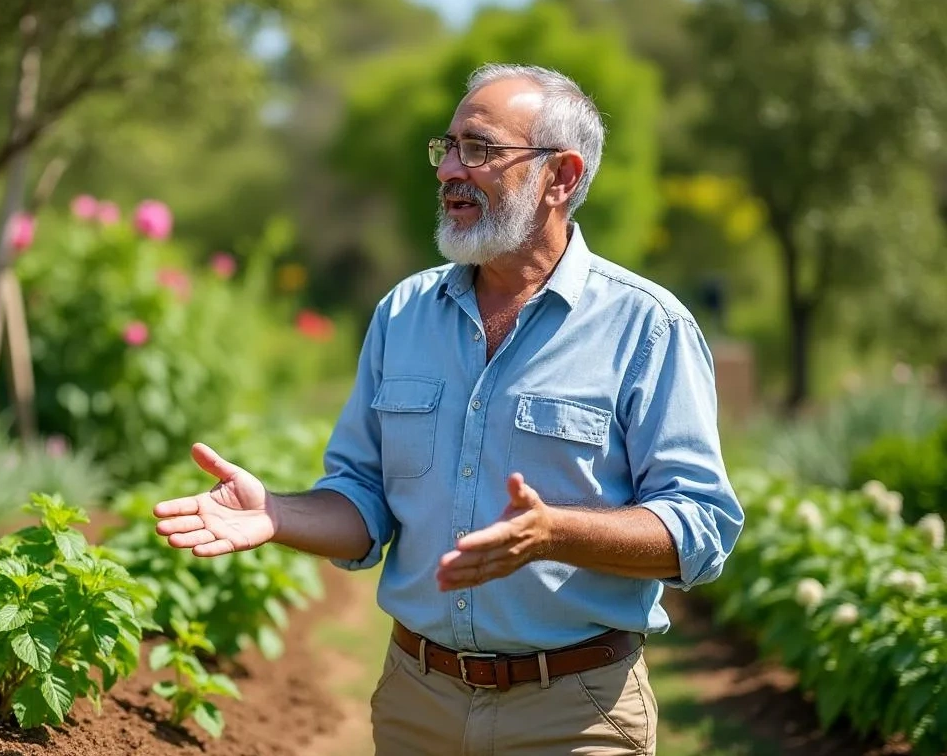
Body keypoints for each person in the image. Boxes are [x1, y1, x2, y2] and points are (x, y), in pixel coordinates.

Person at [152, 63, 744, 756]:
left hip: (575, 713)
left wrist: (555, 533)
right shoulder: (402, 314)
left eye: (482, 149)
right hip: (416, 703)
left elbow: (701, 527)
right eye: (450, 148)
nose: (450, 171)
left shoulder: (646, 328)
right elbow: (364, 500)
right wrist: (279, 514)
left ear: (562, 176)